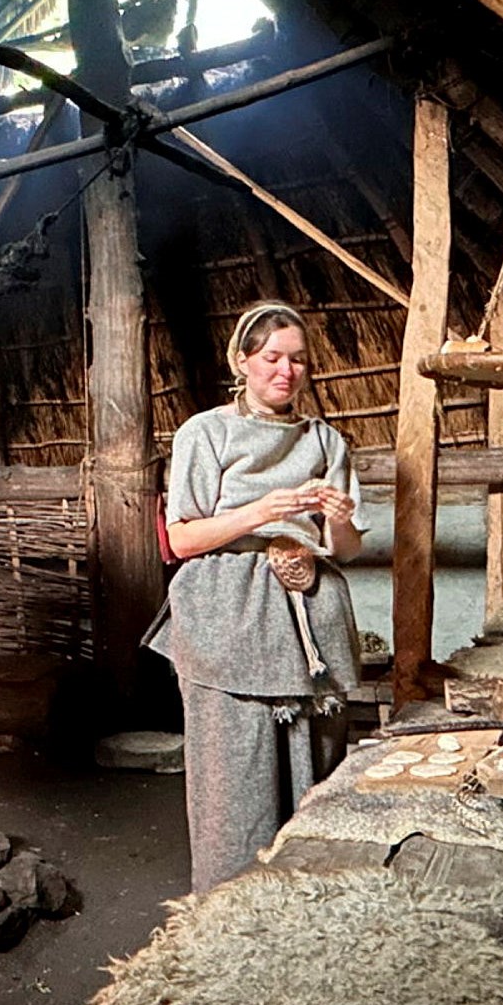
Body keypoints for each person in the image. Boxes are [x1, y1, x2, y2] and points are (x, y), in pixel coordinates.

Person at [145, 301, 364, 891]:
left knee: (317, 768)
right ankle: (227, 911)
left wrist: (339, 520)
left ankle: (304, 906)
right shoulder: (206, 432)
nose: (285, 371)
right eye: (271, 358)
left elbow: (343, 550)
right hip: (229, 616)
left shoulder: (324, 440)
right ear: (242, 361)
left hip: (308, 617)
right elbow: (184, 539)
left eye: (298, 361)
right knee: (234, 783)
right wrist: (259, 514)